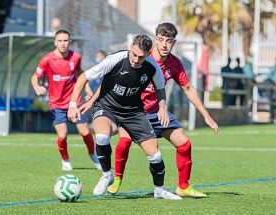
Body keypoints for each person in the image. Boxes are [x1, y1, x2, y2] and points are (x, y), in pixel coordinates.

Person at [105, 22, 219, 197]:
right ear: (155, 40)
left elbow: (188, 88)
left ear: (174, 42)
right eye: (161, 40)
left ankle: (183, 186)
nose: (165, 44)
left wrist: (206, 115)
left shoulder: (175, 63)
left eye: (169, 41)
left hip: (158, 111)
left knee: (184, 144)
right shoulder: (143, 57)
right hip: (134, 112)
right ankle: (117, 178)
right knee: (125, 141)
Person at [68, 34, 182, 200]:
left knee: (155, 155)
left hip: (134, 112)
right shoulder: (115, 60)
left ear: (148, 54)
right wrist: (73, 105)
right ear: (130, 47)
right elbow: (83, 77)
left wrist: (162, 107)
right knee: (101, 136)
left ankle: (159, 190)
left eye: (141, 57)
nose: (136, 59)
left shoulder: (152, 67)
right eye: (133, 54)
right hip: (107, 108)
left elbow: (160, 89)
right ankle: (107, 175)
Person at [31, 29, 101, 171]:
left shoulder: (75, 57)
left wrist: (87, 90)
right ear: (55, 42)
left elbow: (80, 75)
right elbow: (35, 77)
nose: (63, 43)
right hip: (56, 104)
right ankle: (66, 160)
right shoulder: (47, 59)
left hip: (74, 103)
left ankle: (93, 155)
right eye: (60, 41)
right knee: (62, 136)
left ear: (69, 42)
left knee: (85, 132)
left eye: (65, 40)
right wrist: (37, 87)